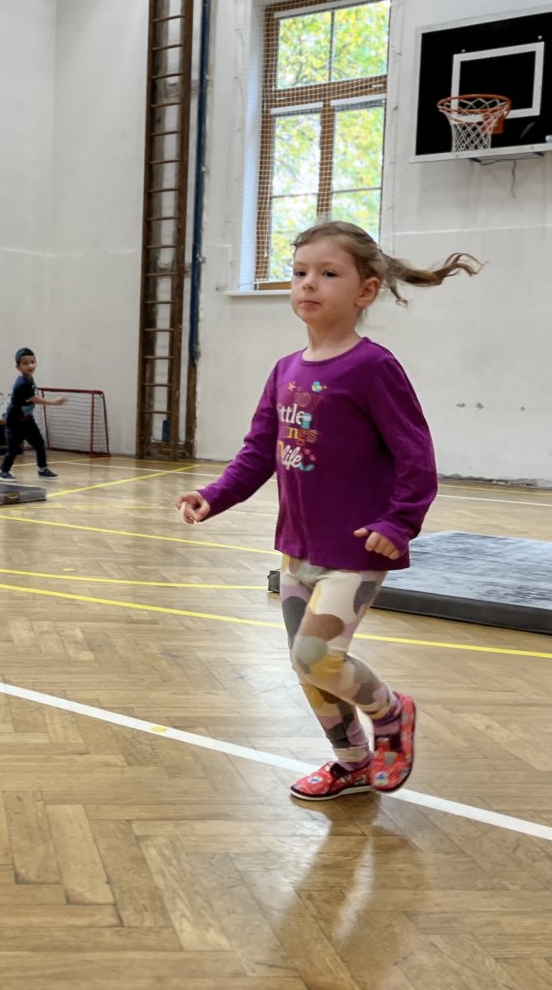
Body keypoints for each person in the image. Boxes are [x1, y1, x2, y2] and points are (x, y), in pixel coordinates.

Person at [176, 221, 479, 800]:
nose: (308, 284)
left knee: (316, 656)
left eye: (328, 273)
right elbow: (259, 451)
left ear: (366, 291)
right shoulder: (285, 370)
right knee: (306, 664)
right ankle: (352, 763)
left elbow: (416, 456)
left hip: (356, 550)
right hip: (298, 549)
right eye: (299, 272)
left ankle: (392, 715)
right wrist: (215, 495)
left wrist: (399, 522)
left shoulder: (372, 367)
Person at [0, 347, 67, 482]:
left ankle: (42, 469)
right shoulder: (22, 383)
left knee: (39, 443)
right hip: (15, 420)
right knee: (13, 449)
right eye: (25, 363)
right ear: (18, 367)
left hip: (26, 419)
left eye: (32, 362)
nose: (30, 366)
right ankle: (2, 472)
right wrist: (54, 402)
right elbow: (35, 399)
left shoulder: (29, 379)